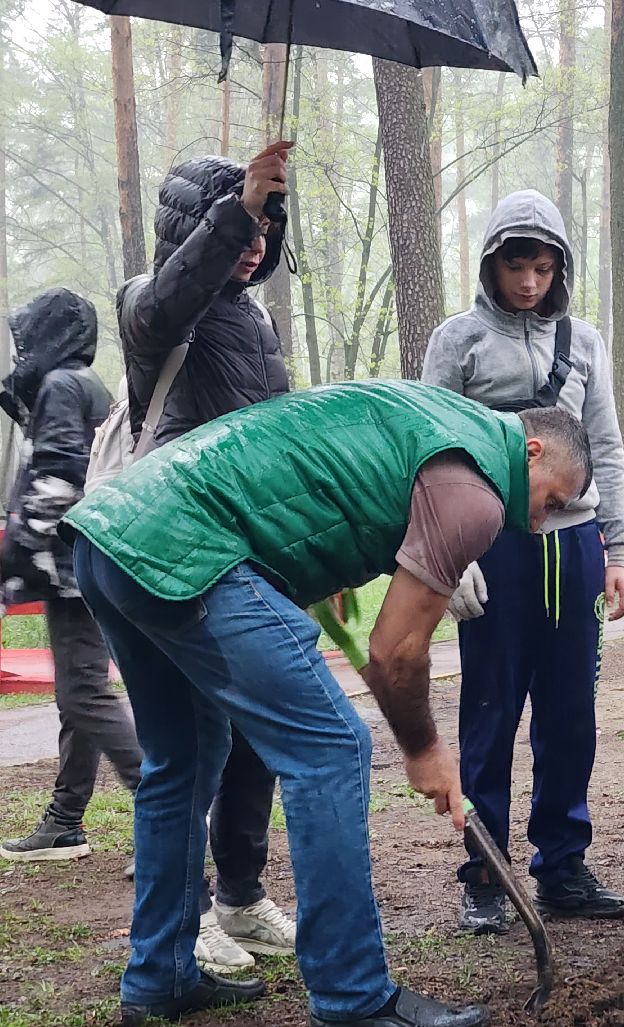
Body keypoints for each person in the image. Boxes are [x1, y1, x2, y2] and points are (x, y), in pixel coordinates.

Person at [62, 381, 592, 1027]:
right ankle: (352, 995)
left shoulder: (438, 418)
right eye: (552, 501)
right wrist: (425, 749)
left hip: (112, 529)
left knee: (184, 758)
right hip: (188, 545)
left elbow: (321, 466)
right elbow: (395, 653)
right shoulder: (477, 491)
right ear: (533, 449)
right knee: (332, 747)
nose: (539, 522)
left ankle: (159, 976)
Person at [422, 189, 624, 934]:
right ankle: (485, 872)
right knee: (490, 712)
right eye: (517, 265)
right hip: (492, 544)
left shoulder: (585, 342)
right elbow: (431, 448)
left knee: (571, 716)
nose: (530, 283)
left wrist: (618, 551)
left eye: (544, 268)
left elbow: (603, 446)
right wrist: (449, 555)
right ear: (491, 262)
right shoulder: (458, 340)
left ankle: (563, 867)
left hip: (572, 546)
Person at [118, 142, 298, 975]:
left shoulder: (257, 324)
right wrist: (237, 210)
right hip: (175, 552)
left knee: (258, 734)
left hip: (248, 551)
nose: (258, 238)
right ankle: (184, 929)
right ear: (194, 225)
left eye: (269, 222)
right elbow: (170, 300)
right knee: (191, 750)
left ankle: (240, 893)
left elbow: (281, 446)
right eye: (244, 222)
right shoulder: (152, 306)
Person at [0, 289, 142, 865]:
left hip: (72, 567)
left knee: (83, 695)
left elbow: (59, 477)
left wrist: (14, 554)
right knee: (78, 697)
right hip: (85, 563)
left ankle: (176, 814)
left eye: (28, 336)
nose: (21, 348)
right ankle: (64, 822)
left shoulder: (63, 385)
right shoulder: (86, 385)